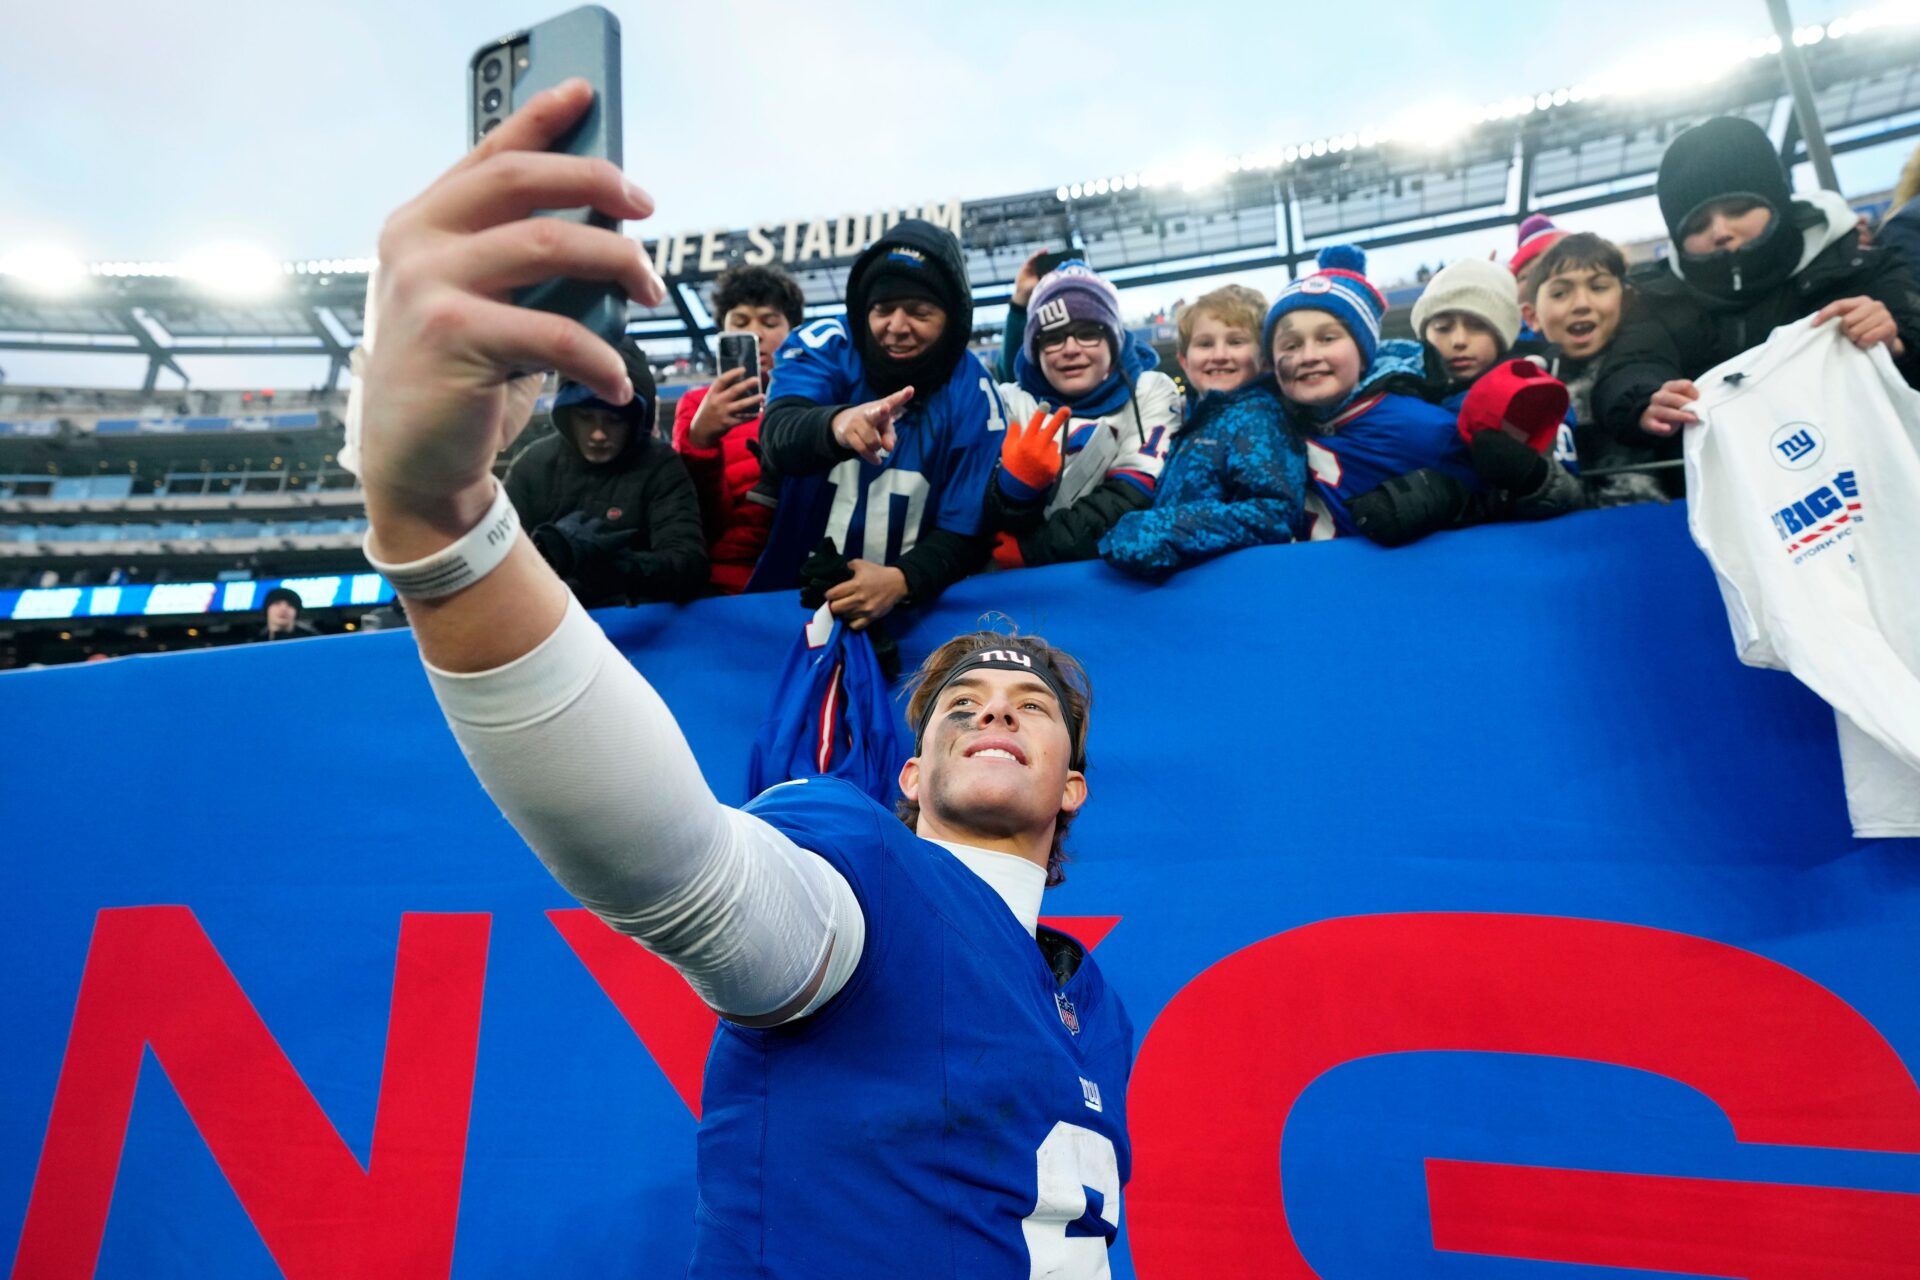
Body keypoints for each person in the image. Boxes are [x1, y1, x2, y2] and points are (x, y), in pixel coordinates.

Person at [354, 82, 1132, 1276]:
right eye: (964, 702)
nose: (993, 710)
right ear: (906, 771)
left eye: (1029, 706)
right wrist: (440, 524)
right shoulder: (864, 881)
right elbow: (675, 864)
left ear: (1073, 784)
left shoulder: (1097, 1004)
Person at [1593, 115, 1920, 467]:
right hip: (1729, 485)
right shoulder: (1657, 297)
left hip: (1873, 468)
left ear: (1777, 202)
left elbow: (1910, 333)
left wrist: (1897, 343)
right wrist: (1646, 401)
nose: (1721, 231)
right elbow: (1630, 366)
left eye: (1739, 209)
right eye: (1697, 225)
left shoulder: (1857, 263)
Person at [750, 219, 1004, 628]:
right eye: (883, 309)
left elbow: (968, 530)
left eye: (920, 312)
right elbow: (778, 435)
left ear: (952, 318)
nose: (897, 327)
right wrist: (837, 423)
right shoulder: (827, 344)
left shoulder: (974, 392)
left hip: (915, 616)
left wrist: (902, 580)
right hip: (787, 606)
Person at [1263, 246, 1481, 544]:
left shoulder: (1420, 427)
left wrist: (1450, 500)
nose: (1308, 356)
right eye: (1290, 345)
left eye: (1328, 338)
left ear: (1364, 354)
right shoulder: (1264, 423)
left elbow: (1508, 499)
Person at [986, 262, 1183, 568]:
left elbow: (1132, 497)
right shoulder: (1007, 402)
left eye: (1088, 334)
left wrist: (1035, 549)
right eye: (1053, 338)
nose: (1070, 349)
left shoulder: (1150, 390)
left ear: (1114, 341)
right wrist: (1012, 494)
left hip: (1118, 581)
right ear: (1034, 350)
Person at [503, 338, 708, 609]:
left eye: (614, 420)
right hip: (545, 620)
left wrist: (614, 564)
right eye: (585, 418)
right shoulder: (533, 463)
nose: (598, 434)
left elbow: (689, 565)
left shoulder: (660, 465)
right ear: (568, 413)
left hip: (635, 618)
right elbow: (491, 560)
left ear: (635, 419)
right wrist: (547, 551)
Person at [672, 263, 804, 592]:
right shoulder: (696, 405)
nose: (757, 333)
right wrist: (700, 442)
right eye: (741, 322)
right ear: (722, 332)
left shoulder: (817, 401)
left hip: (800, 580)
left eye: (770, 322)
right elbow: (691, 519)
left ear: (792, 332)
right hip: (721, 585)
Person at [1520, 231, 1668, 507]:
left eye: (1598, 287)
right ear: (1531, 316)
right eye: (1560, 293)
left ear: (1625, 299)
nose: (1581, 305)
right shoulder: (1519, 389)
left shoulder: (1663, 362)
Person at [1173, 284, 1268, 398]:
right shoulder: (1183, 411)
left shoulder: (1266, 412)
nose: (1219, 355)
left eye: (1235, 342)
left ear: (1265, 356)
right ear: (1184, 362)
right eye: (1205, 344)